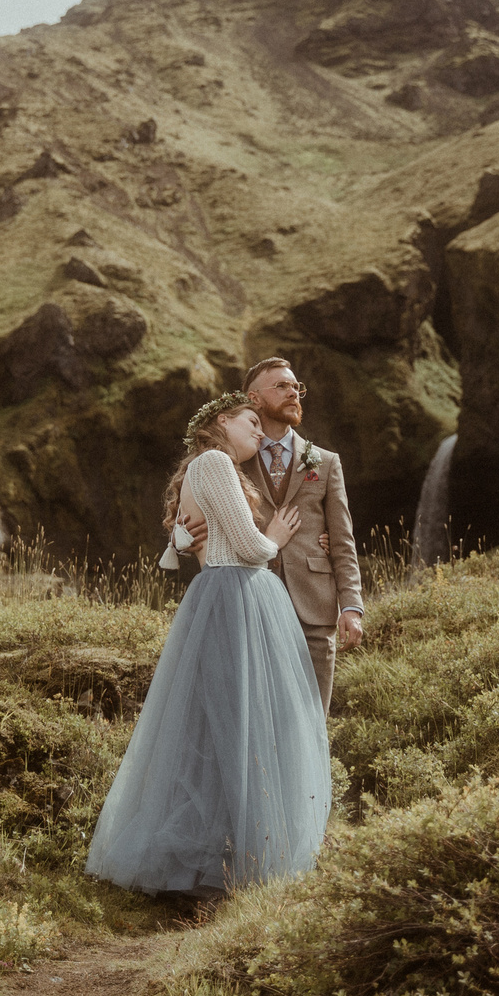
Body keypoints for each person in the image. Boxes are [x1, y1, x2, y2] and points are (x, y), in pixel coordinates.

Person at [87, 392, 332, 904]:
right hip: (236, 593)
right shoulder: (216, 460)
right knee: (245, 721)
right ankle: (238, 861)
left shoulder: (205, 468)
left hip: (221, 594)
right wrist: (277, 538)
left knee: (215, 723)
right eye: (250, 422)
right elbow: (248, 548)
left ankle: (214, 855)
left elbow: (176, 556)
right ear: (223, 421)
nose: (259, 434)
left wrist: (181, 538)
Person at [165, 358, 364, 706]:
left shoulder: (326, 461)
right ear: (253, 399)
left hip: (314, 610)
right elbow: (196, 503)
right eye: (282, 386)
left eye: (296, 387)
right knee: (260, 718)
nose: (294, 393)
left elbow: (343, 541)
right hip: (250, 607)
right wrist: (181, 536)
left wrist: (351, 607)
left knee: (312, 722)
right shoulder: (231, 458)